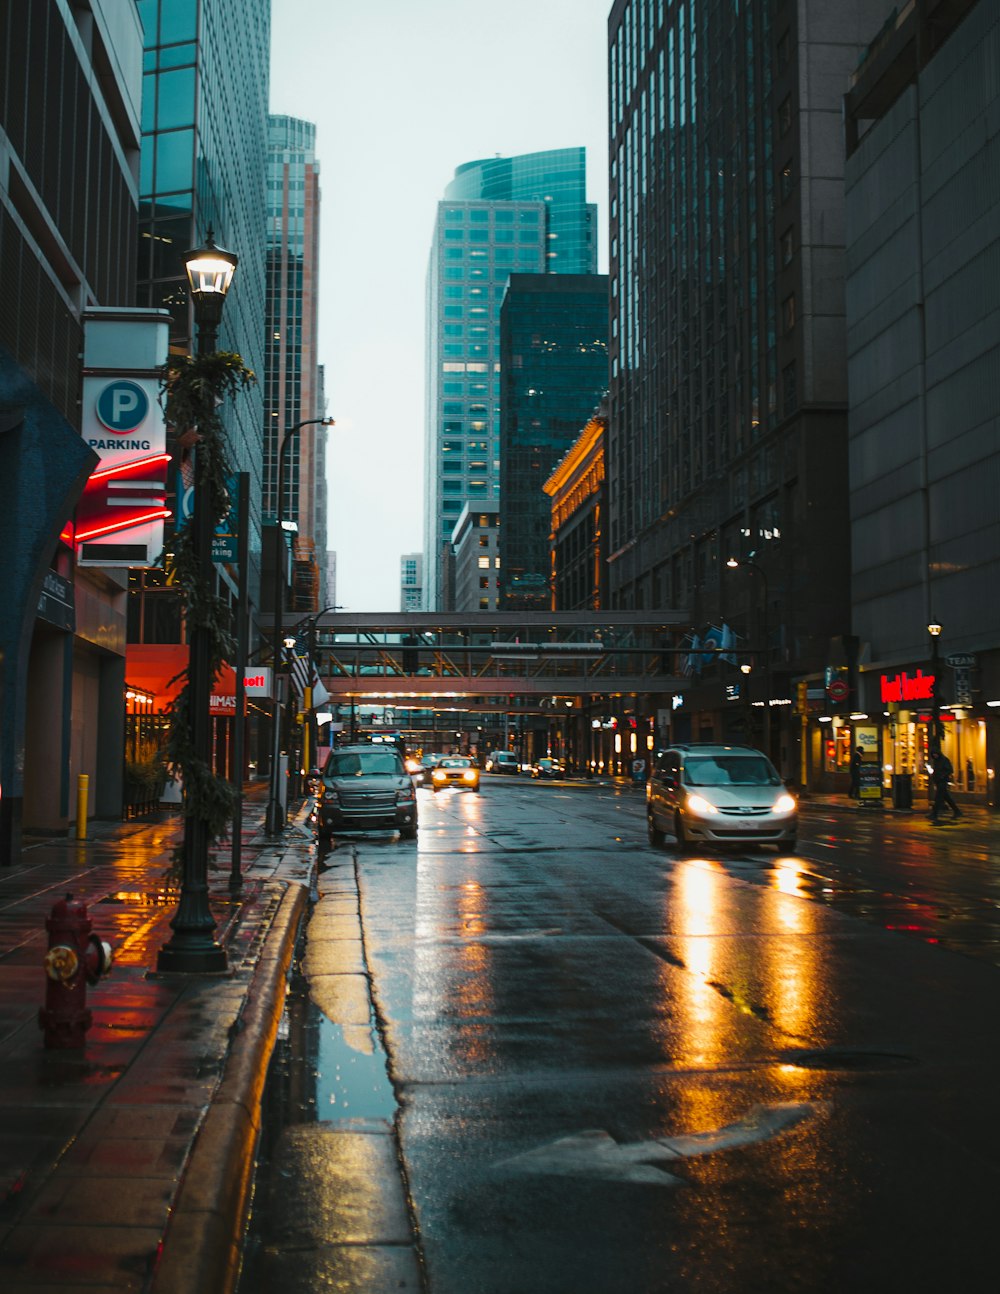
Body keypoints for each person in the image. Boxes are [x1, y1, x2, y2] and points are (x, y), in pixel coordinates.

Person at [929, 748, 961, 823]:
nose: (934, 755)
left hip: (942, 782)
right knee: (946, 797)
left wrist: (943, 776)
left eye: (935, 754)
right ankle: (957, 811)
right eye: (933, 754)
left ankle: (934, 814)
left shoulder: (944, 760)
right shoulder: (936, 761)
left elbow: (949, 770)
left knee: (938, 798)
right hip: (938, 781)